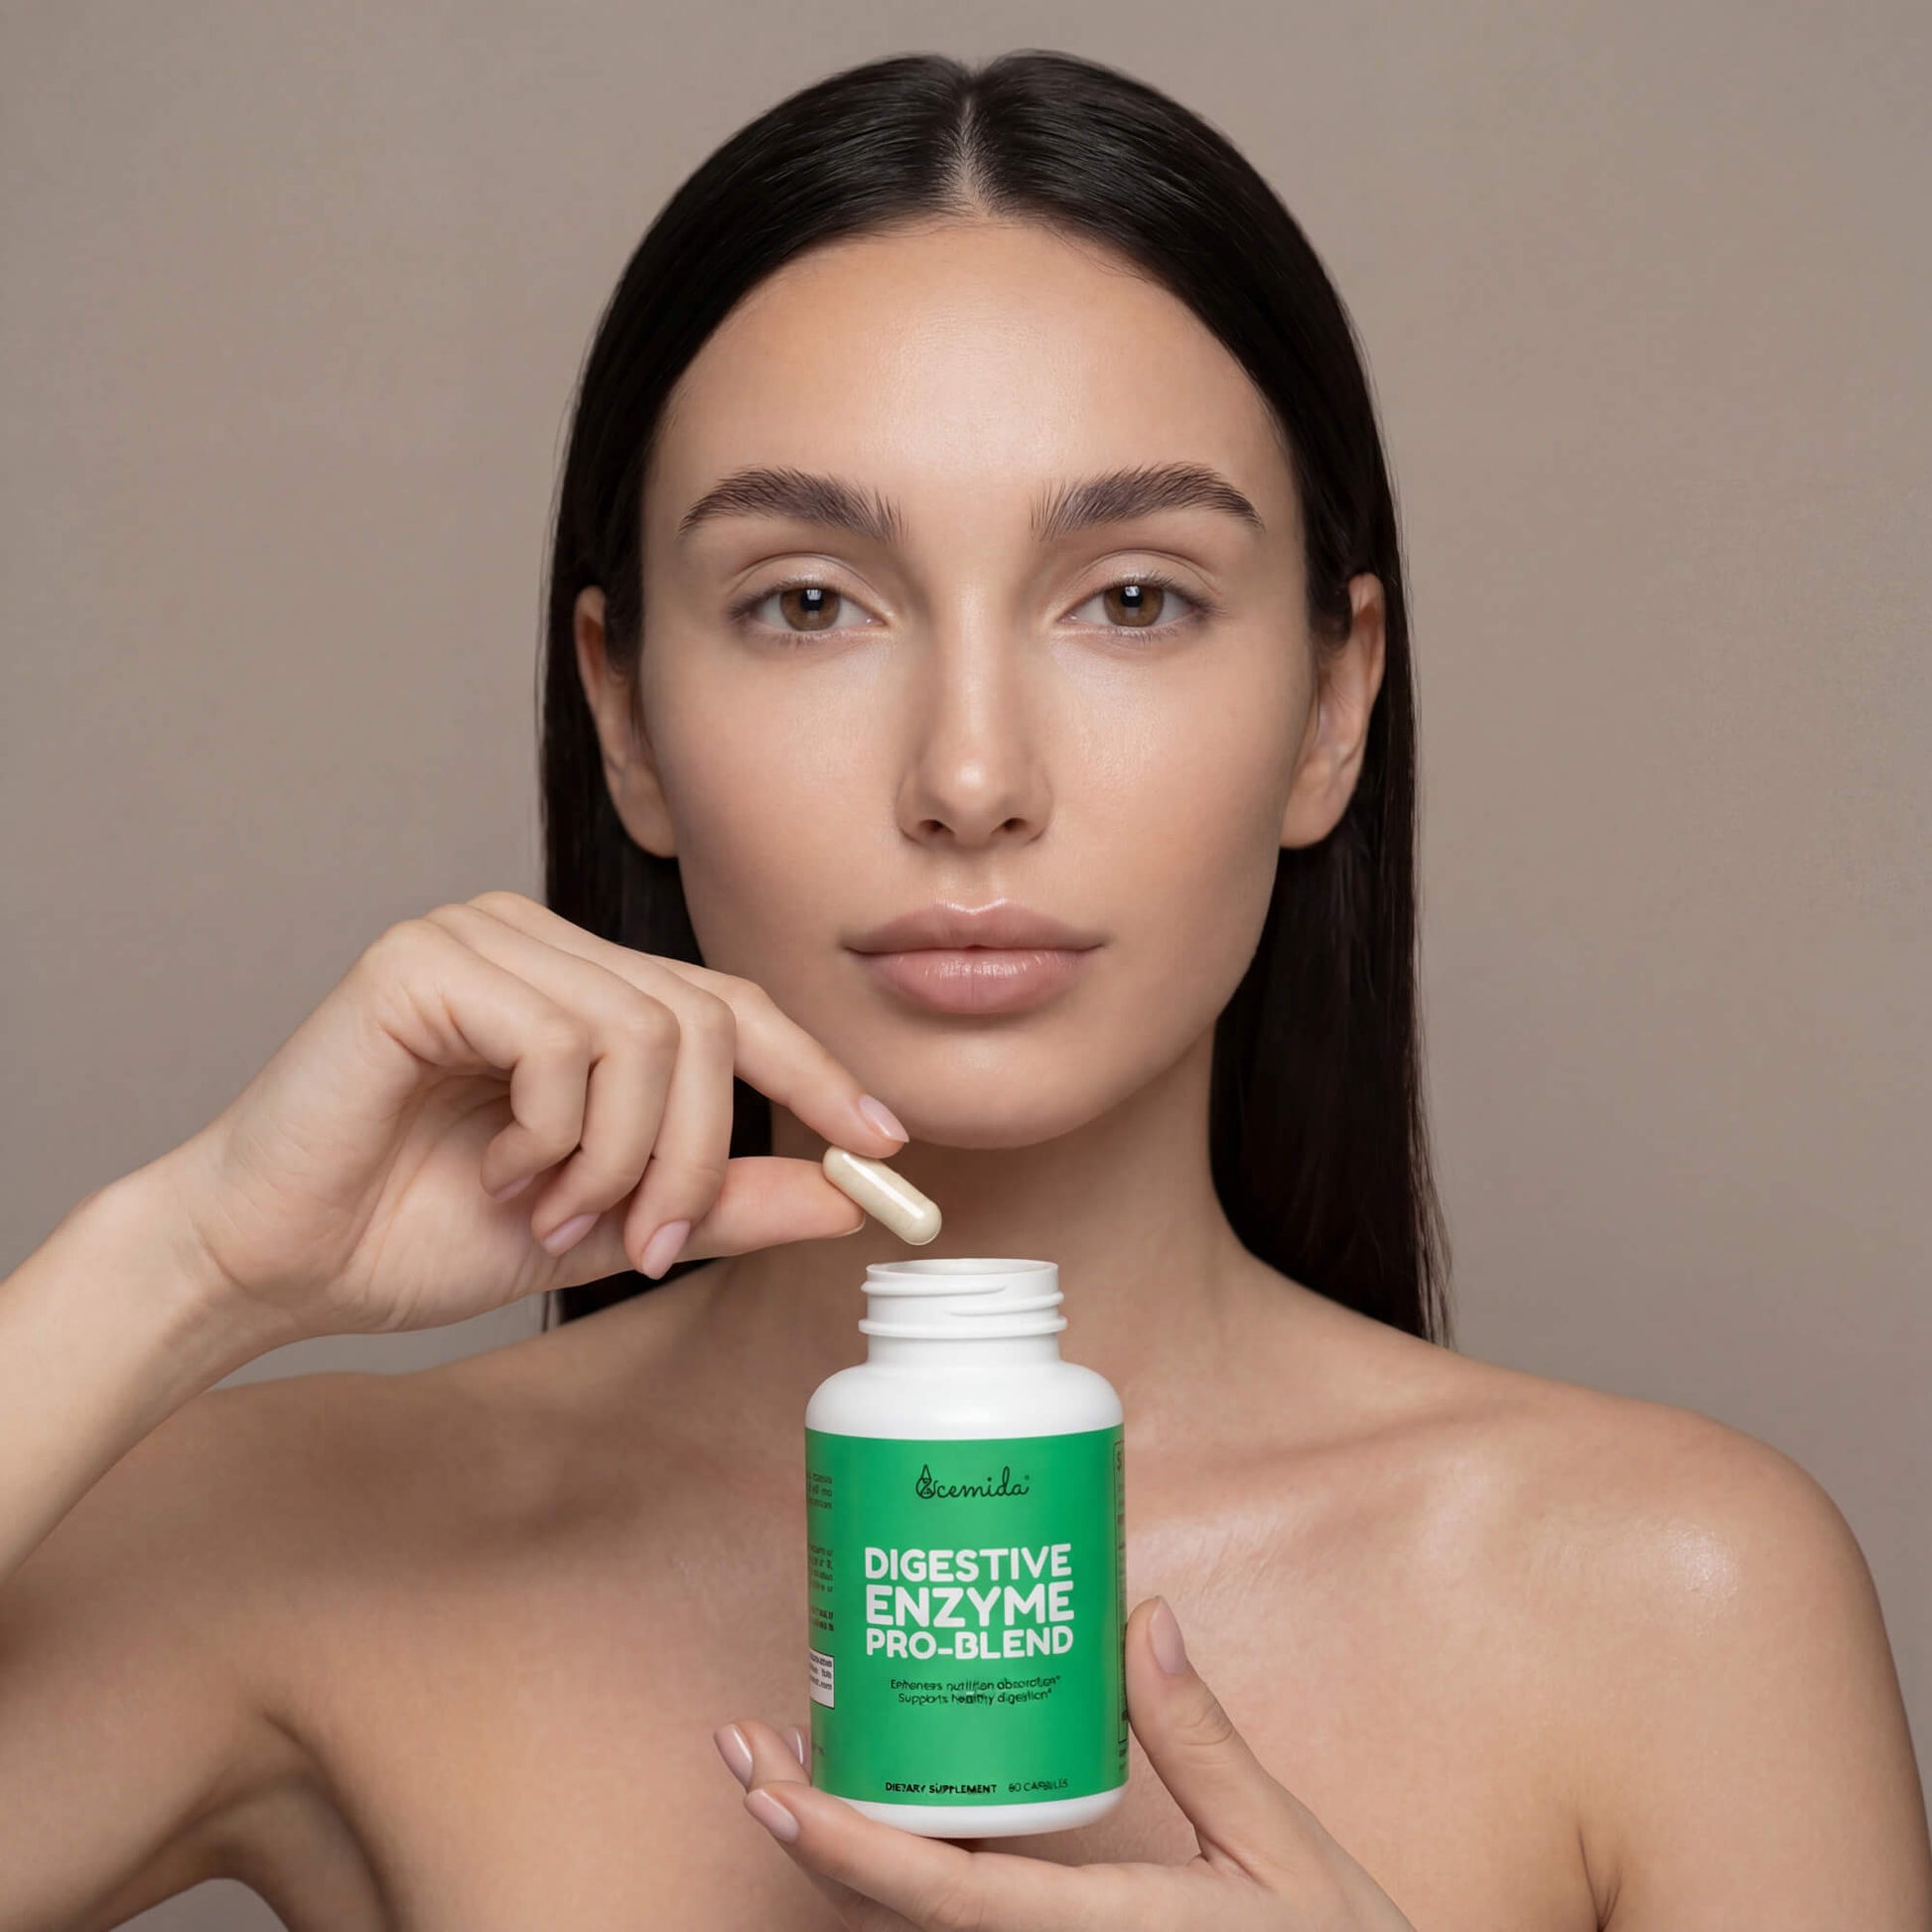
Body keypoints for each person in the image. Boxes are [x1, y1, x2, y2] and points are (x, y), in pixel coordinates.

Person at [2, 48, 1926, 1932]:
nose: (973, 776)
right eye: (809, 600)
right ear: (626, 717)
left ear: (1332, 704)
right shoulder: (310, 1545)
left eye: (1134, 596)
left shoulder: (1673, 1597)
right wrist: (184, 1261)